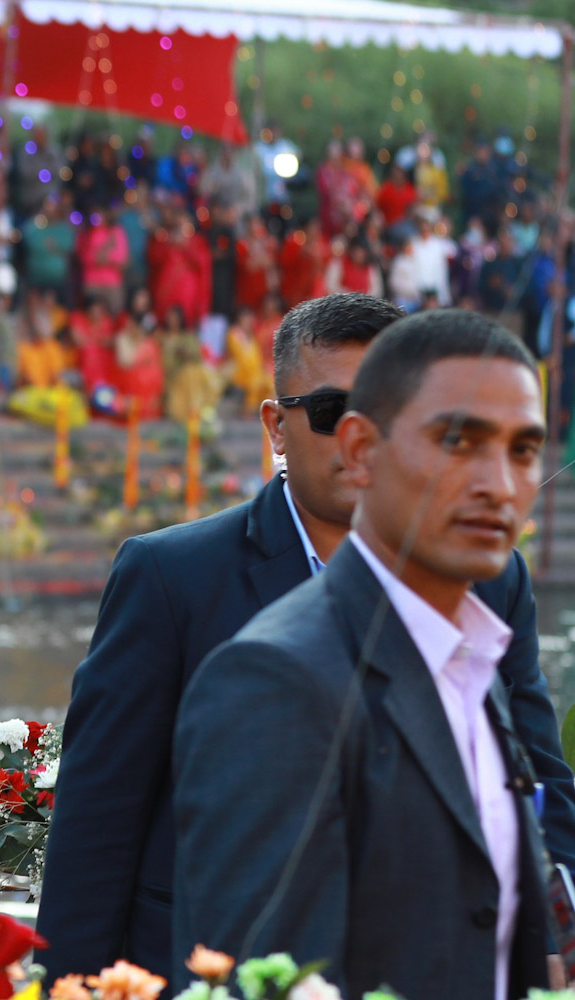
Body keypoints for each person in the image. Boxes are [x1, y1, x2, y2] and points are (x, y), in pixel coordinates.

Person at [35, 294, 575, 986]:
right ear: (277, 426)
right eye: (331, 413)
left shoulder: (490, 581)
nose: (362, 441)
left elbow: (540, 779)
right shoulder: (174, 578)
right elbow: (96, 825)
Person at [173, 311, 555, 1000]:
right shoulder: (275, 680)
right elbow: (262, 980)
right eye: (457, 441)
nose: (497, 484)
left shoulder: (473, 651)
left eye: (524, 450)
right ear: (359, 449)